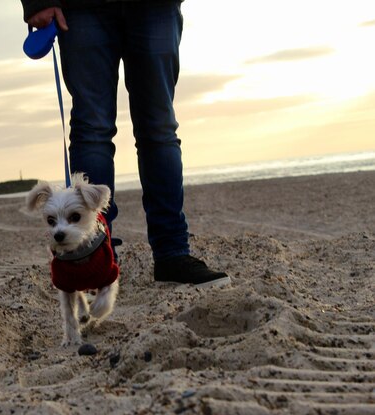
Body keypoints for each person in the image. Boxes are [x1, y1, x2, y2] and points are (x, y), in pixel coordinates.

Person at [20, 0, 230, 287]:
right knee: (92, 130)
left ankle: (173, 254)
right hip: (80, 8)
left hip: (156, 6)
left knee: (159, 128)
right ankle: (93, 257)